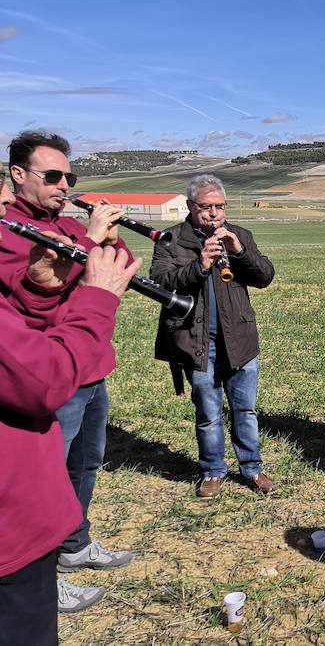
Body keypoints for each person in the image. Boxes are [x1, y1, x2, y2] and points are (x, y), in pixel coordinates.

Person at [0, 160, 141, 646]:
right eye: (54, 177)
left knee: (85, 464)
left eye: (69, 179)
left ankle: (75, 543)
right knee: (50, 470)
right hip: (48, 372)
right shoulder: (10, 232)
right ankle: (49, 567)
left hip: (89, 363)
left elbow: (113, 266)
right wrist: (88, 238)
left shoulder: (64, 225)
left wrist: (102, 236)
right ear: (18, 174)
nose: (65, 187)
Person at [150, 174, 276, 499]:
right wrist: (199, 264)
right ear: (191, 205)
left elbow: (264, 276)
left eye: (220, 206)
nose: (214, 214)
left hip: (241, 340)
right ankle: (212, 471)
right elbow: (161, 282)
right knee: (208, 411)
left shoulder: (240, 235)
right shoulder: (171, 239)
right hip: (196, 342)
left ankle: (252, 468)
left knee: (245, 409)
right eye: (207, 207)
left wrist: (239, 251)